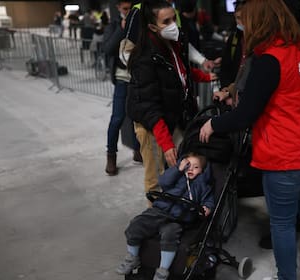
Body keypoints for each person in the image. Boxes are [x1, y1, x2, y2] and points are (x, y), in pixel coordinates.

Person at [199, 1, 300, 279]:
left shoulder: (270, 59)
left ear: (259, 23)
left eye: (245, 21)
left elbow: (245, 115)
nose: (241, 27)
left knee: (282, 223)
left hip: (289, 156)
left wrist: (213, 123)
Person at [126, 0, 197, 198]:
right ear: (152, 26)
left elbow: (178, 72)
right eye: (166, 21)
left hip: (172, 117)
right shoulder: (144, 56)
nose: (173, 25)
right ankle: (158, 220)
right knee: (156, 179)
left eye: (174, 18)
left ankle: (178, 211)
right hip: (153, 125)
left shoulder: (172, 44)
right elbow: (149, 105)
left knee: (183, 168)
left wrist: (204, 75)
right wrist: (166, 143)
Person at [116, 153, 214, 279]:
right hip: (160, 211)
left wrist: (207, 207)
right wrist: (178, 169)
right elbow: (163, 181)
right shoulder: (177, 177)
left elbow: (209, 200)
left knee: (170, 234)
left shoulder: (203, 186)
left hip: (179, 219)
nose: (191, 169)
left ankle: (163, 270)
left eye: (196, 167)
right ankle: (132, 257)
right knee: (136, 224)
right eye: (188, 165)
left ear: (202, 171)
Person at [103, 0, 141, 176]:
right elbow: (108, 48)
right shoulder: (113, 25)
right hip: (121, 78)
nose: (128, 12)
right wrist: (122, 29)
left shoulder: (139, 22)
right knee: (117, 118)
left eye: (130, 9)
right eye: (125, 9)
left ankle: (137, 150)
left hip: (138, 78)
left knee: (136, 116)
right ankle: (111, 156)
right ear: (118, 8)